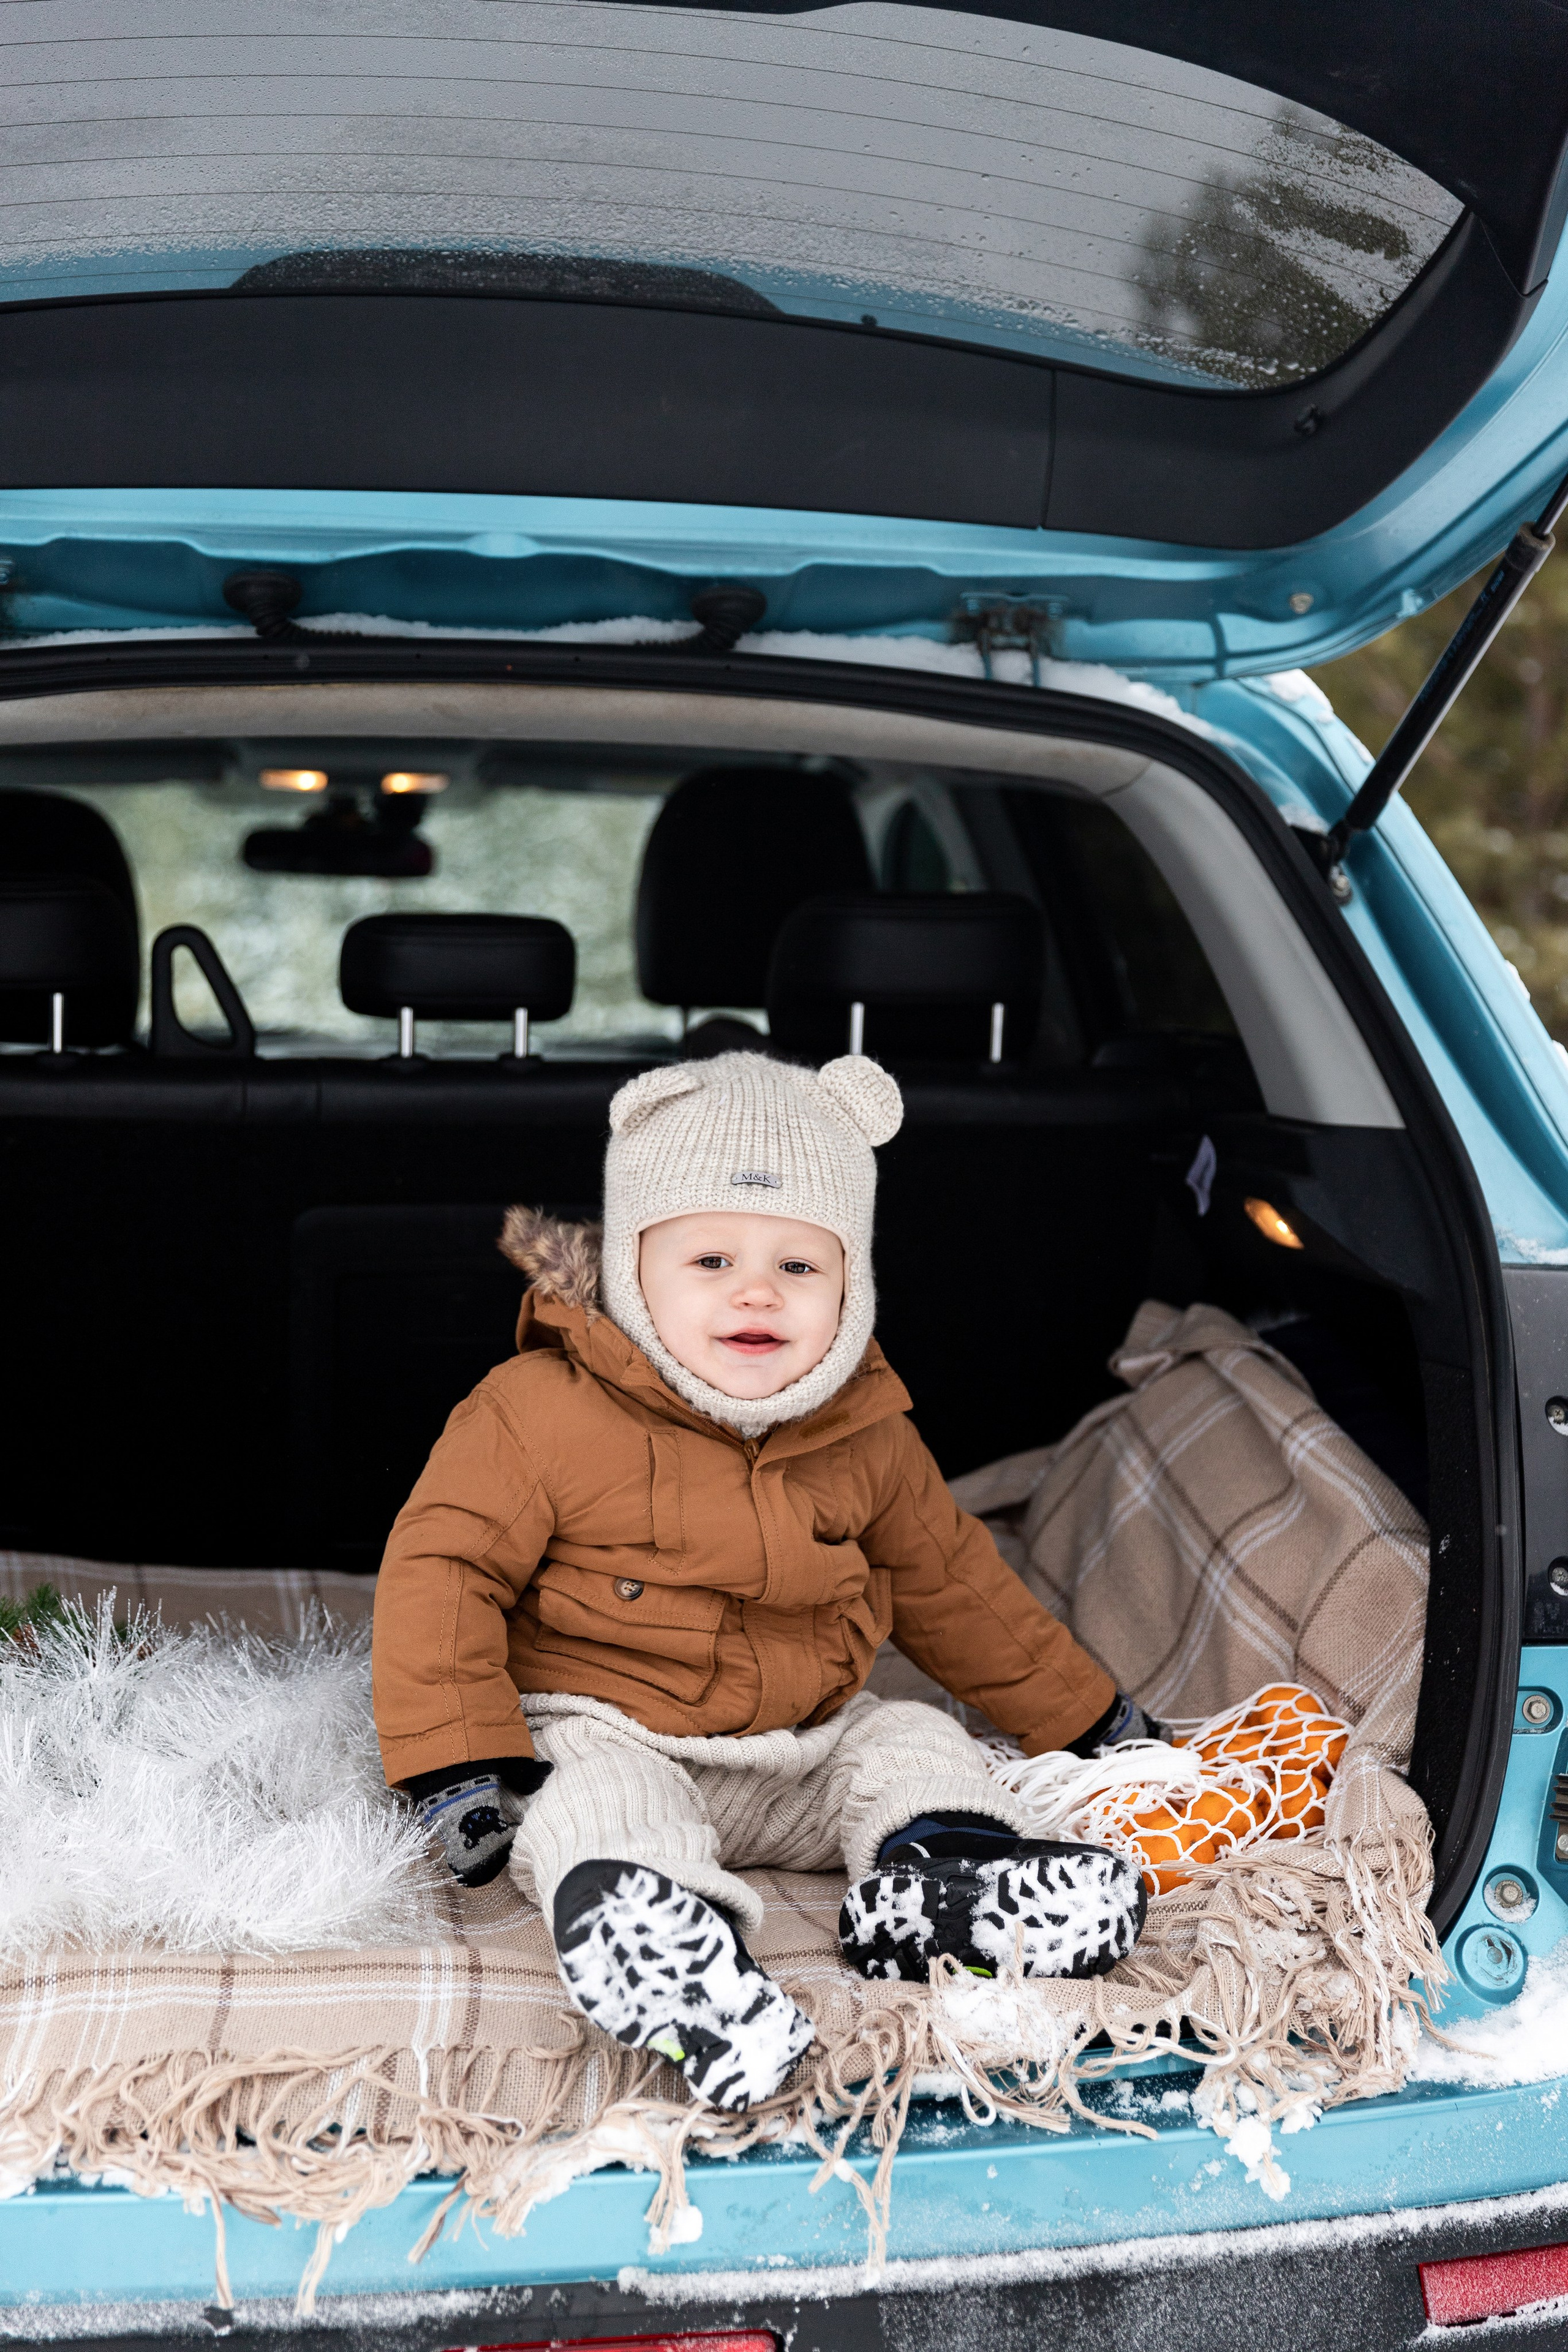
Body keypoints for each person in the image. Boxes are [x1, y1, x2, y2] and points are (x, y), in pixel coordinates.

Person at [372, 1052, 1159, 2113]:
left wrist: (1092, 1721)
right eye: (710, 1259)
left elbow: (957, 1590)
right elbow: (444, 1568)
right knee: (592, 1805)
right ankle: (677, 1960)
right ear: (631, 1271)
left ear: (851, 1286)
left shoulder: (866, 1433)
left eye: (799, 1265)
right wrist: (456, 1762)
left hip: (805, 1748)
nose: (757, 1291)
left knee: (914, 1739)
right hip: (609, 1729)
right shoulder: (536, 1409)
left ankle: (947, 1886)